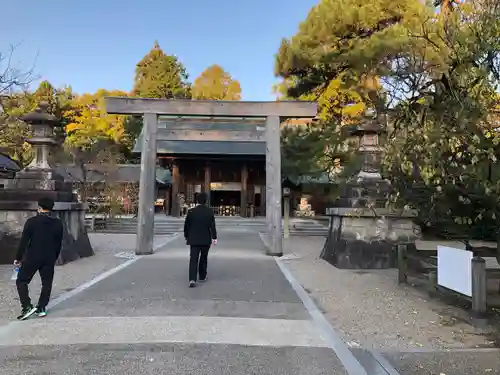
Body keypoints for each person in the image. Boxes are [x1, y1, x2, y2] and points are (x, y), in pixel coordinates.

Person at [14, 197, 63, 320]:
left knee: (22, 280)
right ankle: (41, 307)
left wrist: (18, 257)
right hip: (49, 256)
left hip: (33, 256)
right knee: (46, 283)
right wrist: (54, 256)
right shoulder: (57, 223)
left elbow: (24, 241)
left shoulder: (31, 222)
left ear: (39, 208)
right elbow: (58, 243)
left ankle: (27, 306)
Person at [183, 192, 217, 288]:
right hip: (205, 238)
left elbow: (187, 226)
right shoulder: (209, 212)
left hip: (193, 239)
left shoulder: (191, 212)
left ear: (197, 200)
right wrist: (214, 237)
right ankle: (202, 276)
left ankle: (192, 279)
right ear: (206, 201)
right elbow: (212, 226)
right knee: (203, 258)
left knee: (193, 259)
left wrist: (186, 236)